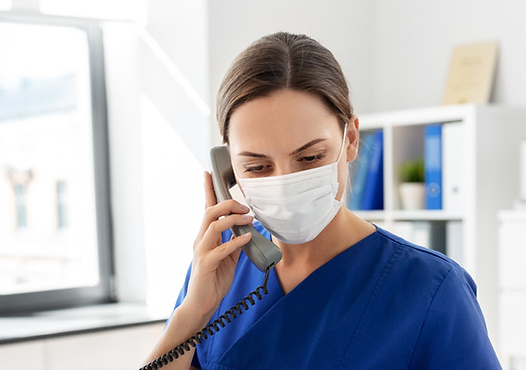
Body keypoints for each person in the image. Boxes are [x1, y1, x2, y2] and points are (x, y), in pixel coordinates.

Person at [142, 33, 499, 369]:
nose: (283, 182)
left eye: (310, 158)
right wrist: (193, 313)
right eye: (257, 166)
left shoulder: (431, 288)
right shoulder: (220, 266)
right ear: (227, 169)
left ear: (351, 139)